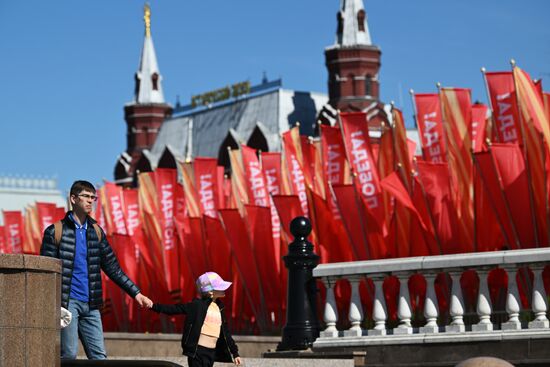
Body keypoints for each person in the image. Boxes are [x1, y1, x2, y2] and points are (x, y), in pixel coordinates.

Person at [40, 180, 153, 360]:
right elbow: (45, 273)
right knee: (68, 355)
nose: (91, 201)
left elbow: (113, 268)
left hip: (92, 305)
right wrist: (51, 304)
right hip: (67, 303)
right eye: (86, 196)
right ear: (73, 199)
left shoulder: (96, 232)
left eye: (93, 197)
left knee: (100, 358)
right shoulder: (55, 231)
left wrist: (136, 293)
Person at [149, 271, 242, 366]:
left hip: (211, 353)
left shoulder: (220, 308)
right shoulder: (197, 305)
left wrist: (235, 353)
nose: (224, 289)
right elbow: (174, 309)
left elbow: (226, 332)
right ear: (210, 292)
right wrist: (152, 305)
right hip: (197, 352)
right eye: (219, 287)